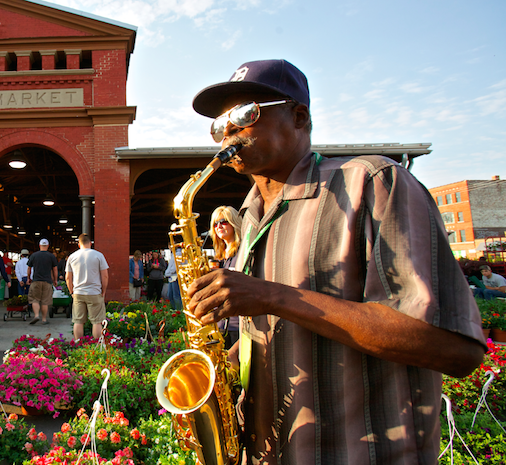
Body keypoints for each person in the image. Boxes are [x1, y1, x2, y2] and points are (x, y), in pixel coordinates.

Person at [185, 59, 485, 464]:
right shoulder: (250, 215)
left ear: (299, 115)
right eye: (220, 125)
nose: (229, 132)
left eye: (245, 114)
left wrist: (274, 297)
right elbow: (283, 324)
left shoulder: (373, 183)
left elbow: (453, 348)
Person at [209, 206, 242, 348]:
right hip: (220, 324)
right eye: (215, 224)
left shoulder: (243, 252)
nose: (219, 226)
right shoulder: (219, 257)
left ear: (234, 223)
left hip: (238, 325)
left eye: (223, 221)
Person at [65, 234, 109, 340]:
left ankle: (78, 344)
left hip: (78, 292)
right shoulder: (98, 255)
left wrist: (71, 291)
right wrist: (103, 291)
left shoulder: (72, 256)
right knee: (97, 322)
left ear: (79, 244)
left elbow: (68, 277)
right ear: (90, 243)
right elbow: (105, 276)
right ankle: (97, 346)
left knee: (78, 321)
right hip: (94, 292)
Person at [26, 238, 58, 325]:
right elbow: (55, 269)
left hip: (36, 280)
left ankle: (36, 315)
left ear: (39, 245)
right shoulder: (52, 256)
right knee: (45, 301)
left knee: (35, 299)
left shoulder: (34, 255)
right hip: (47, 281)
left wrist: (28, 278)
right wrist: (55, 280)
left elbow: (29, 268)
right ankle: (44, 319)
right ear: (48, 246)